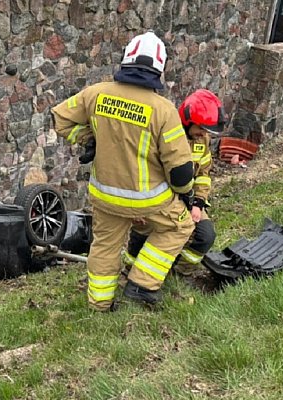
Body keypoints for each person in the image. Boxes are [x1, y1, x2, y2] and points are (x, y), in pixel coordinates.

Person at [51, 30, 195, 311]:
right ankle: (142, 284)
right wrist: (186, 194)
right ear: (159, 69)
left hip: (105, 196)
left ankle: (100, 303)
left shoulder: (95, 94)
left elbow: (60, 119)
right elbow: (179, 171)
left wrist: (88, 139)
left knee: (105, 244)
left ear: (126, 59)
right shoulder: (163, 110)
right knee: (180, 227)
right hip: (149, 200)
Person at [123, 89, 226, 276]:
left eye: (207, 130)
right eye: (201, 128)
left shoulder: (202, 140)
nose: (204, 134)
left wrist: (198, 204)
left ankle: (178, 271)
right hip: (155, 199)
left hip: (187, 199)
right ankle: (131, 271)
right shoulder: (163, 135)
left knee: (205, 236)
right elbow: (138, 172)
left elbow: (203, 174)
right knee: (144, 232)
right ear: (188, 121)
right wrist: (135, 207)